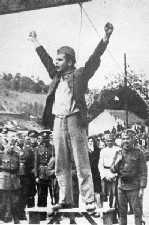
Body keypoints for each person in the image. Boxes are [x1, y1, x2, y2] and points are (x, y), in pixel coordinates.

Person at [28, 22, 114, 215]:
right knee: (61, 163)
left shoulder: (79, 75)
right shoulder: (56, 76)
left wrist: (105, 38)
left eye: (60, 60)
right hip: (58, 121)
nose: (56, 63)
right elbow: (46, 60)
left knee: (82, 162)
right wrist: (35, 42)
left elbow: (94, 60)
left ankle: (89, 201)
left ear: (69, 61)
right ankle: (64, 199)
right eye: (56, 60)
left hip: (75, 120)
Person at [111, 129, 148, 225]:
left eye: (128, 138)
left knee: (137, 213)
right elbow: (112, 169)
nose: (125, 141)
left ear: (133, 139)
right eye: (123, 138)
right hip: (121, 187)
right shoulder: (118, 153)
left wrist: (142, 189)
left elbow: (143, 172)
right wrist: (117, 162)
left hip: (134, 187)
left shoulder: (139, 153)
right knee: (122, 213)